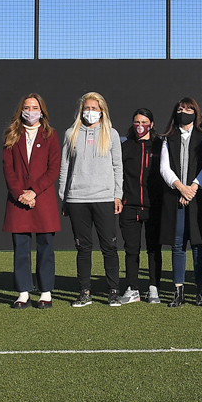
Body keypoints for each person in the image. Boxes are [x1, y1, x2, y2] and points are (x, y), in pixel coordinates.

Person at [59, 92, 123, 308]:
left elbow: (117, 166)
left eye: (94, 108)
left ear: (102, 111)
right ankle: (84, 292)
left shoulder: (111, 134)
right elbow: (64, 167)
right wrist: (64, 196)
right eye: (87, 108)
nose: (90, 112)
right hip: (77, 199)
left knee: (109, 248)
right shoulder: (71, 133)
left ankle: (113, 291)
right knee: (83, 248)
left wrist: (117, 195)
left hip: (104, 197)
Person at [1, 94, 62, 310]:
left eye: (35, 107)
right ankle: (23, 293)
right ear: (21, 110)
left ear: (42, 111)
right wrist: (20, 194)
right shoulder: (11, 134)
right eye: (26, 107)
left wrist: (33, 192)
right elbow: (8, 168)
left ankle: (45, 293)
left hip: (42, 200)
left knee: (45, 247)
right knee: (21, 248)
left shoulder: (51, 135)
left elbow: (53, 168)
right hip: (18, 201)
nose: (31, 111)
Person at [159, 97, 202, 307]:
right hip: (176, 198)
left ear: (196, 112)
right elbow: (164, 168)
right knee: (177, 245)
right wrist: (180, 188)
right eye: (181, 108)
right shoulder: (168, 137)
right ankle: (178, 291)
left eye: (189, 109)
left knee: (198, 245)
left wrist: (192, 187)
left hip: (198, 198)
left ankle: (201, 292)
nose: (185, 112)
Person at [118, 108, 162, 306]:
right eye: (136, 122)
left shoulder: (160, 145)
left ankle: (153, 288)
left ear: (151, 124)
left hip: (154, 206)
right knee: (131, 249)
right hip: (130, 206)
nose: (140, 126)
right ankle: (132, 288)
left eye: (144, 122)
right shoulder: (125, 146)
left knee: (153, 249)